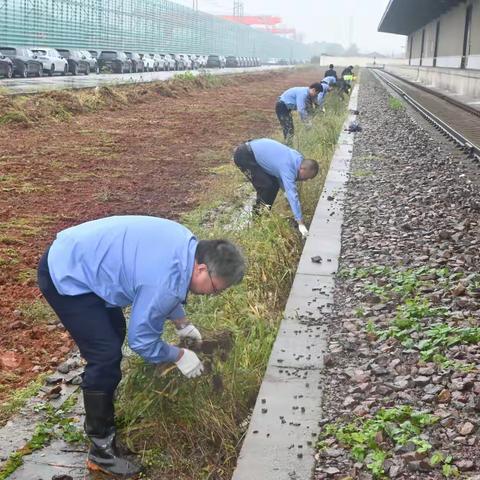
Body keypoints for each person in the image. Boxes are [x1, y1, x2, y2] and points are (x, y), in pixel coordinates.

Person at [37, 215, 245, 478]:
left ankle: (103, 410)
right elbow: (142, 341)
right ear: (202, 269)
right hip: (65, 273)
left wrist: (181, 322)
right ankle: (101, 449)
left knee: (114, 335)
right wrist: (178, 355)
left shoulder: (185, 243)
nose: (212, 294)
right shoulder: (165, 281)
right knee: (105, 355)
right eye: (215, 289)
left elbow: (168, 281)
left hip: (82, 254)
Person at [233, 138, 319, 238]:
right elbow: (292, 194)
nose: (305, 180)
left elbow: (280, 176)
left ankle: (263, 215)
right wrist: (300, 222)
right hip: (245, 156)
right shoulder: (288, 166)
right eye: (306, 177)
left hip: (253, 152)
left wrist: (285, 192)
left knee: (273, 185)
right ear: (302, 169)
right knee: (266, 187)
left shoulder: (297, 159)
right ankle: (257, 221)